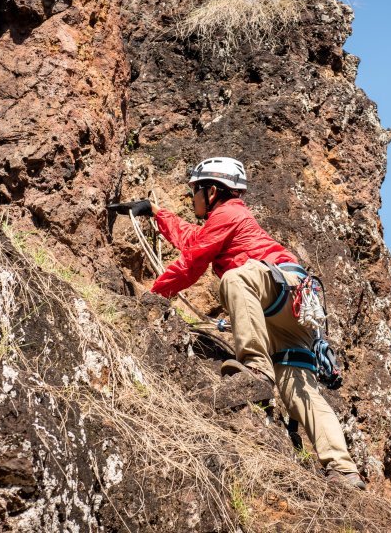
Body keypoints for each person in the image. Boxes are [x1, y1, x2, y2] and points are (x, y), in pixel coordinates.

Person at [122, 157, 365, 490]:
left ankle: (257, 370)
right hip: (291, 313)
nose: (192, 196)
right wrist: (156, 212)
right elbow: (195, 241)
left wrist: (152, 298)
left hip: (280, 290)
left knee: (235, 280)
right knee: (299, 393)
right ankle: (344, 470)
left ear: (212, 190)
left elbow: (192, 263)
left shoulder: (228, 212)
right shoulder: (226, 218)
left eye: (195, 190)